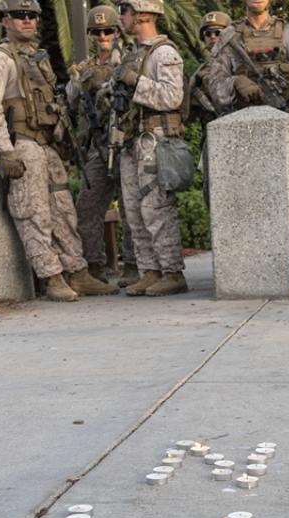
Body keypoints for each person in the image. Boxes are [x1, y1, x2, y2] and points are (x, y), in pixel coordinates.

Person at [0, 0, 115, 301]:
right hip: (22, 144)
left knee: (63, 209)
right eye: (19, 15)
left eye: (32, 16)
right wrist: (5, 150)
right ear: (4, 20)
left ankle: (77, 271)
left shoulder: (37, 58)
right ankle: (51, 277)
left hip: (47, 144)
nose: (28, 21)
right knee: (33, 211)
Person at [111, 0, 189, 296]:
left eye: (125, 11)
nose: (121, 17)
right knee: (133, 211)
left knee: (155, 208)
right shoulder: (132, 54)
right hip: (131, 140)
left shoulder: (164, 53)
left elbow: (171, 97)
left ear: (142, 13)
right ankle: (149, 270)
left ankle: (172, 272)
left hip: (154, 139)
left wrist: (135, 82)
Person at [67, 4, 134, 288]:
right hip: (98, 146)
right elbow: (71, 104)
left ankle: (133, 265)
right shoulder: (84, 69)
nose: (103, 36)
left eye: (108, 31)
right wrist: (78, 83)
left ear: (117, 31)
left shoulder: (131, 59)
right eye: (97, 32)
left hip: (127, 143)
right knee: (87, 206)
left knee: (131, 207)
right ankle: (94, 266)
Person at [202, 0, 289, 121]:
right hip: (243, 119)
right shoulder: (229, 35)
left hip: (286, 115)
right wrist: (235, 82)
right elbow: (215, 84)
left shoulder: (288, 32)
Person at [183, 11, 230, 127]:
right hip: (211, 129)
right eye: (208, 33)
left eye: (218, 32)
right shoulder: (202, 70)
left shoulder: (237, 63)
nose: (213, 37)